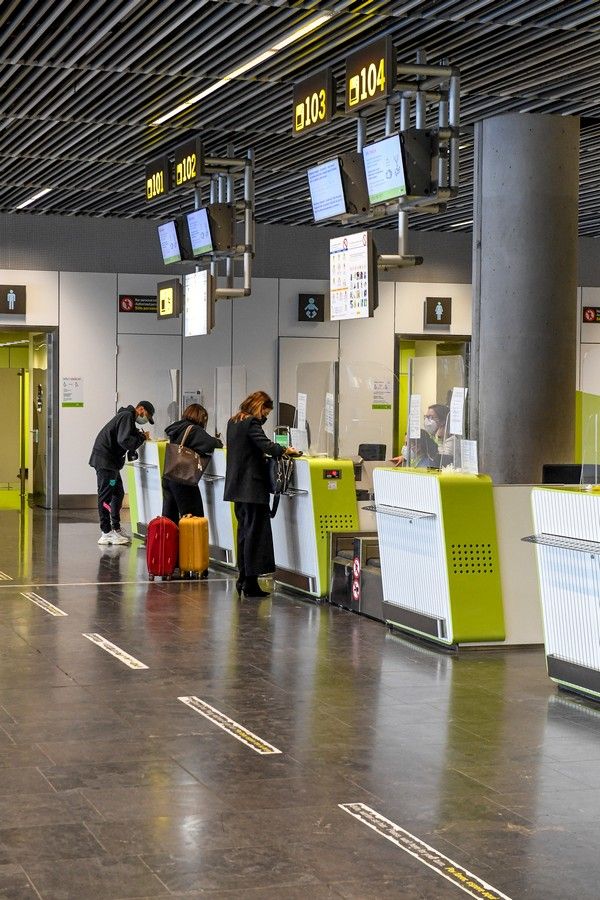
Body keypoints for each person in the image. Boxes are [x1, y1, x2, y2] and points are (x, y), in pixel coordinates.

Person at [224, 390, 299, 598]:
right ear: (259, 406)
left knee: (244, 533)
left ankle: (242, 577)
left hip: (237, 487)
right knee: (256, 534)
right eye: (266, 411)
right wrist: (285, 450)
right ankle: (250, 583)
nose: (266, 416)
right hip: (252, 487)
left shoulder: (233, 421)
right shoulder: (251, 423)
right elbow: (265, 445)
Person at [89, 401, 155, 545]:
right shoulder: (126, 416)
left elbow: (124, 436)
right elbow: (124, 440)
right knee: (105, 496)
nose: (144, 419)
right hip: (106, 462)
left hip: (111, 463)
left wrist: (138, 435)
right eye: (146, 416)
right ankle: (106, 532)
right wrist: (142, 438)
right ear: (141, 409)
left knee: (117, 493)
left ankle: (116, 528)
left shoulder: (127, 418)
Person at [162, 403, 223, 522]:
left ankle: (169, 540)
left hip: (169, 477)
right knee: (193, 518)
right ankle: (190, 541)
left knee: (169, 518)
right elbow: (210, 444)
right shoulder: (193, 429)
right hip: (183, 479)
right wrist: (218, 442)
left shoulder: (177, 427)